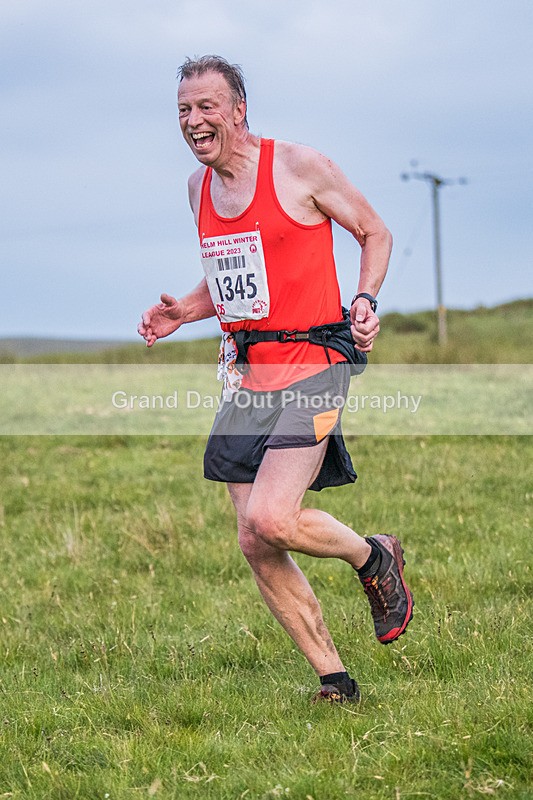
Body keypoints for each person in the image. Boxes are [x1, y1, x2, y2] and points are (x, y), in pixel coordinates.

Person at [138, 55, 413, 704]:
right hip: (245, 377)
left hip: (315, 365)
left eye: (206, 106)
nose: (193, 120)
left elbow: (374, 232)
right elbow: (237, 274)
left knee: (271, 515)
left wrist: (364, 299)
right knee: (252, 537)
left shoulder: (297, 167)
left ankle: (372, 556)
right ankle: (334, 681)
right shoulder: (197, 191)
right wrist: (185, 307)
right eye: (183, 109)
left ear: (237, 110)